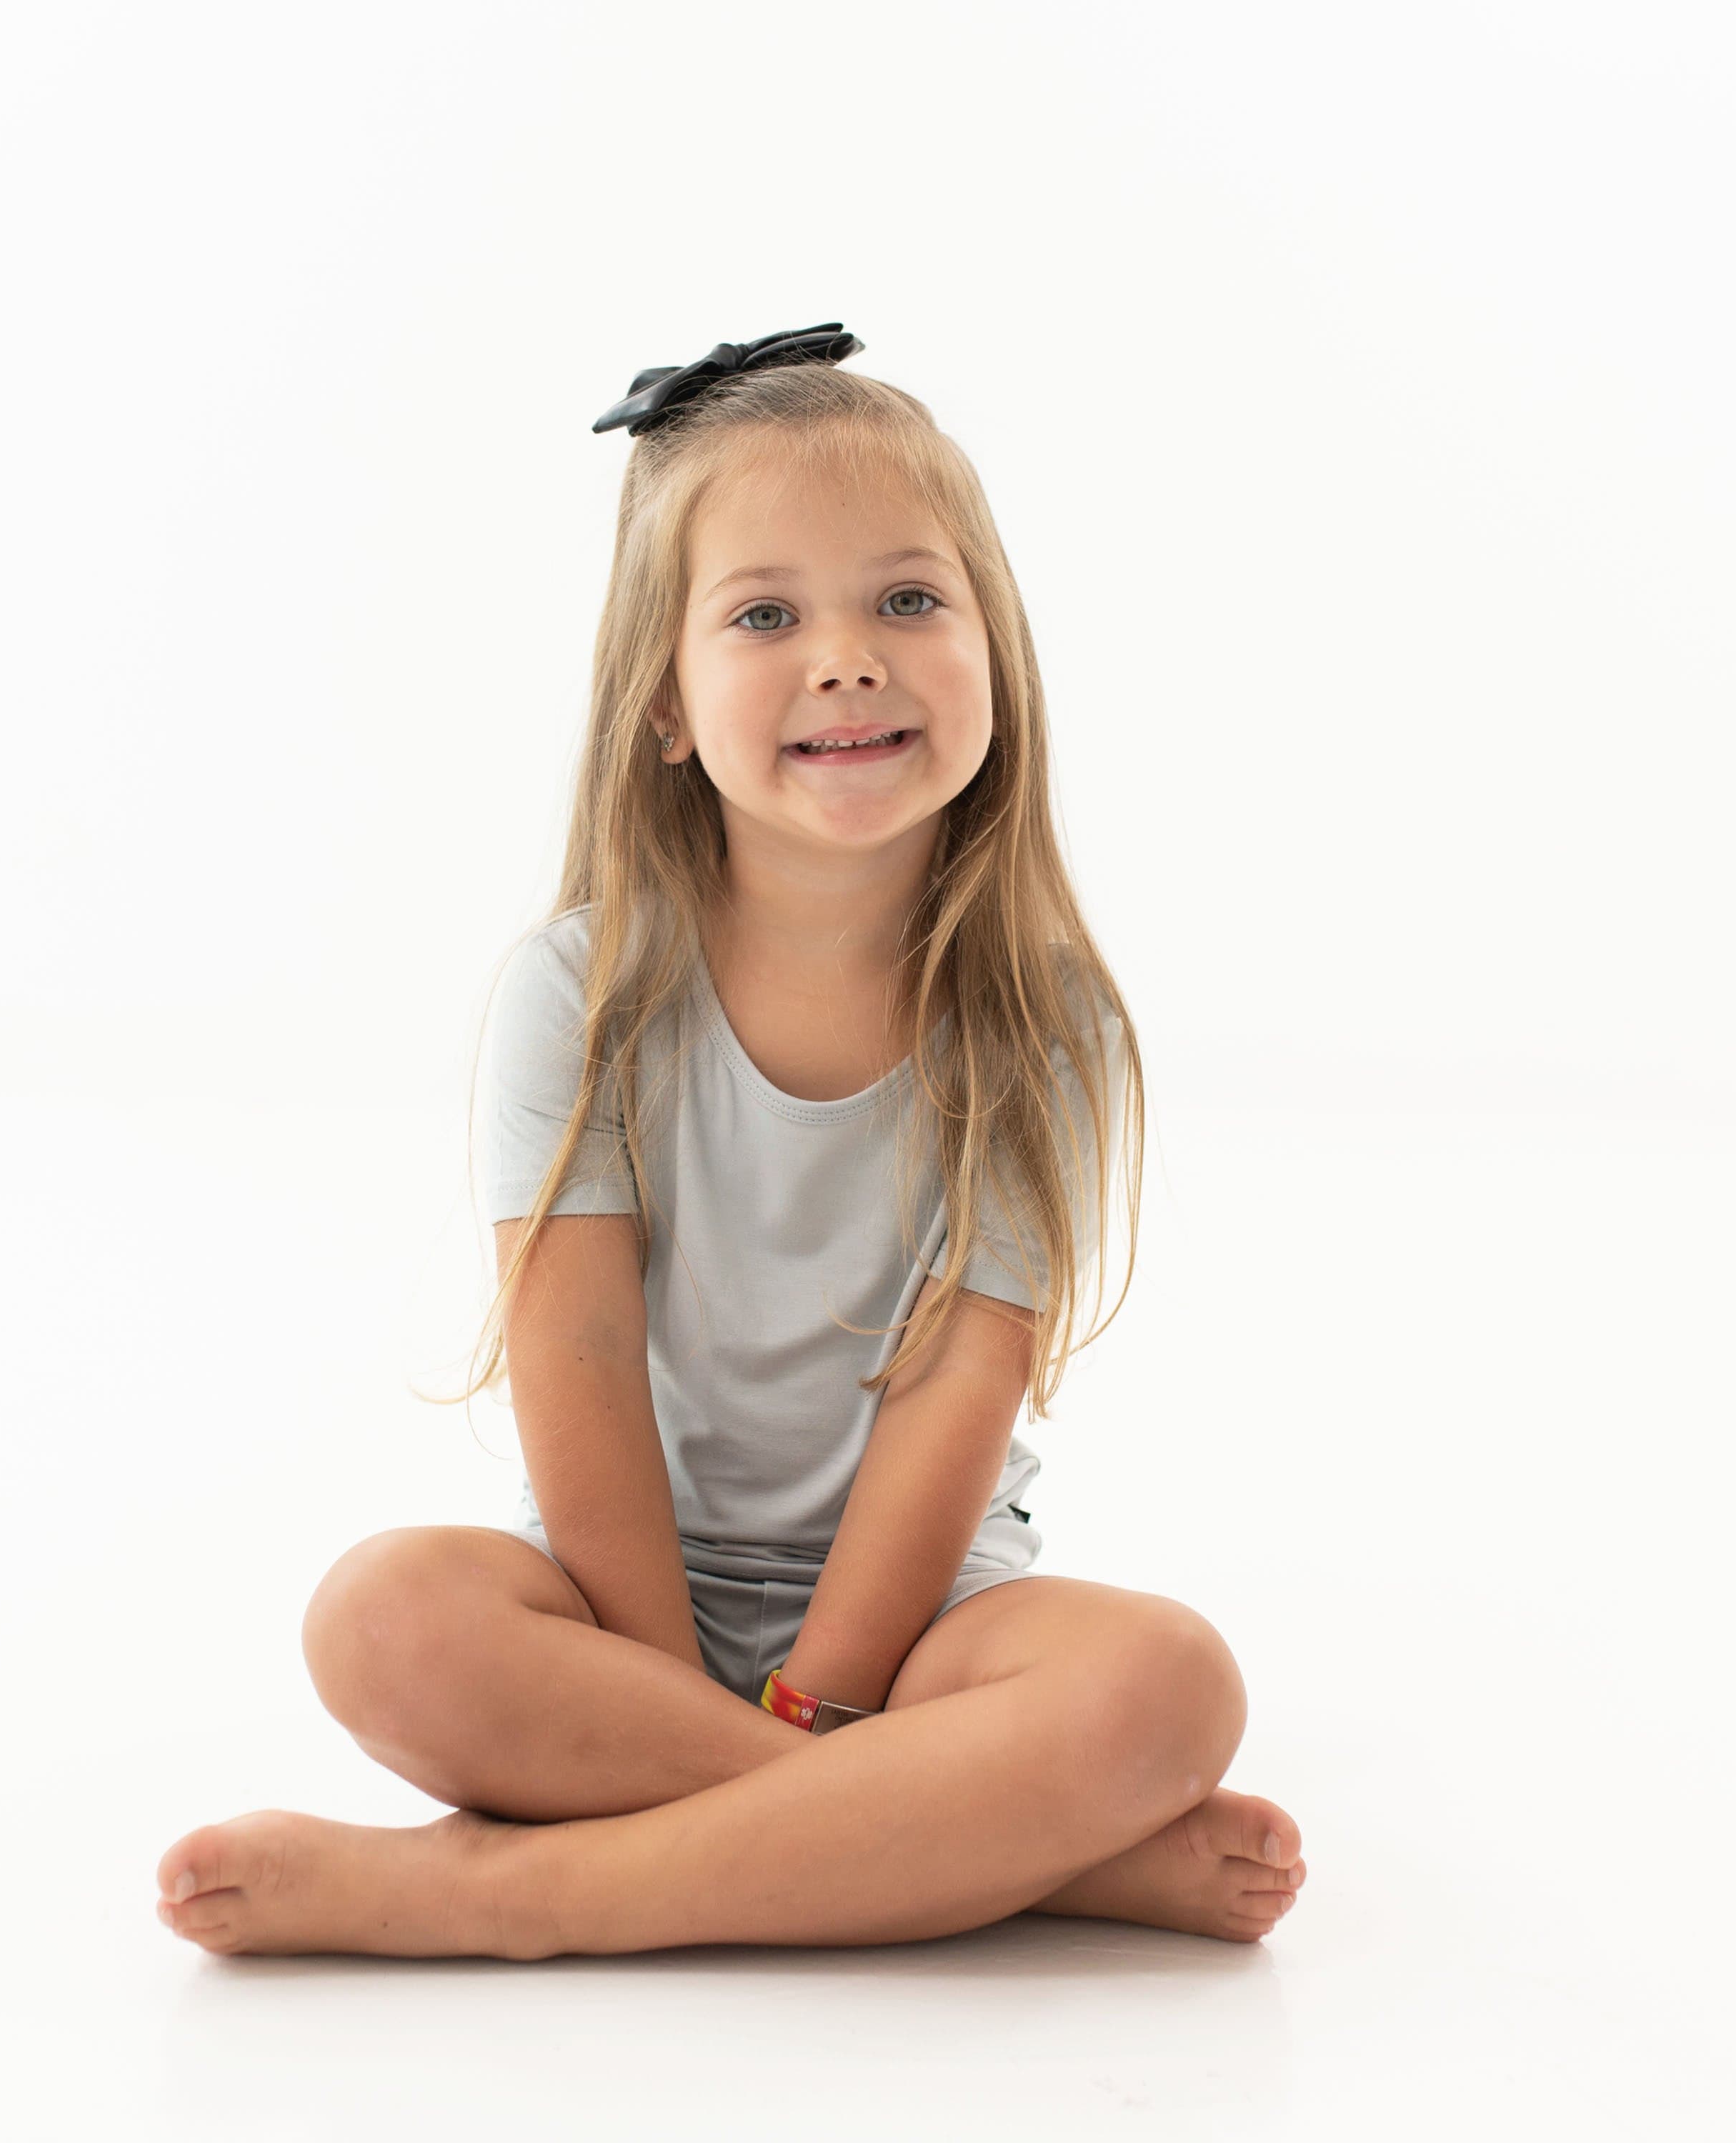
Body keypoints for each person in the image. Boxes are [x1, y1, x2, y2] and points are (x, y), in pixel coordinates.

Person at [154, 323, 1307, 1959]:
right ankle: (1007, 1853)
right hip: (624, 1603)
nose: (848, 654)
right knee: (384, 1621)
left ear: (1000, 656)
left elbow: (961, 1383)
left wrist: (835, 1684)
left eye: (910, 599)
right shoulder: (584, 989)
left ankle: (507, 1893)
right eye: (766, 615)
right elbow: (574, 1353)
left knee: (1170, 1685)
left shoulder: (1049, 1018)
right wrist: (646, 1661)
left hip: (925, 1624)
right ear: (669, 706)